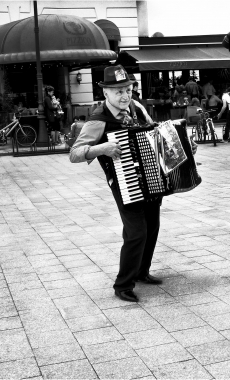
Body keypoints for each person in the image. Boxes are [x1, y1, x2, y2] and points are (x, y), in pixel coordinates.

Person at [69, 65, 166, 303]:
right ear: (106, 94)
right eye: (118, 91)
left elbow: (155, 133)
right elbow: (74, 153)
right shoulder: (98, 119)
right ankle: (123, 285)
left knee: (152, 227)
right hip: (125, 181)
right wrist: (102, 148)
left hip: (150, 177)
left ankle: (142, 272)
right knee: (136, 233)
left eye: (127, 89)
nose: (124, 96)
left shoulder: (137, 107)